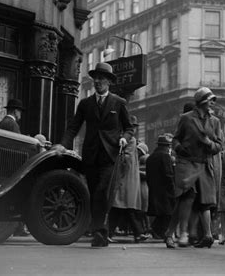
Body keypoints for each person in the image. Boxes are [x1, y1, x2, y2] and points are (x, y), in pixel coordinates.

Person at [52, 62, 134, 247]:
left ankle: (100, 230)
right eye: (96, 78)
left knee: (102, 192)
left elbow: (129, 127)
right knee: (95, 193)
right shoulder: (85, 104)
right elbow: (73, 126)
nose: (98, 81)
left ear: (109, 82)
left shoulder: (119, 103)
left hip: (110, 156)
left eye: (102, 78)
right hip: (90, 155)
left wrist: (124, 138)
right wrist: (63, 145)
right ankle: (100, 232)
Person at [164, 87, 223, 249]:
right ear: (202, 101)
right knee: (187, 196)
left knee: (204, 202)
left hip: (204, 164)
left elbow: (219, 146)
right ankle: (182, 234)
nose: (212, 103)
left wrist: (209, 143)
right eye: (210, 100)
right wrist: (179, 149)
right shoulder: (186, 119)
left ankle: (176, 234)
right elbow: (175, 139)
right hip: (187, 163)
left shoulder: (215, 121)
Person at [108, 116, 149, 243]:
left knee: (123, 206)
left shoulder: (123, 139)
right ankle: (136, 233)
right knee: (125, 206)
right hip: (127, 178)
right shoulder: (131, 140)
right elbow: (127, 159)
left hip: (126, 177)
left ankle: (137, 233)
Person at [0, 98, 29, 236]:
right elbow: (18, 147)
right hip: (10, 168)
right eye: (20, 112)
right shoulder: (13, 125)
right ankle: (19, 228)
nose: (20, 115)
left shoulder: (0, 124)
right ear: (15, 111)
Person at [146, 134, 175, 240]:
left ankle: (156, 230)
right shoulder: (165, 156)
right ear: (166, 146)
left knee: (160, 212)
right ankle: (158, 230)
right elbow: (168, 174)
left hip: (154, 188)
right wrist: (172, 187)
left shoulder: (151, 157)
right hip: (165, 189)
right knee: (168, 212)